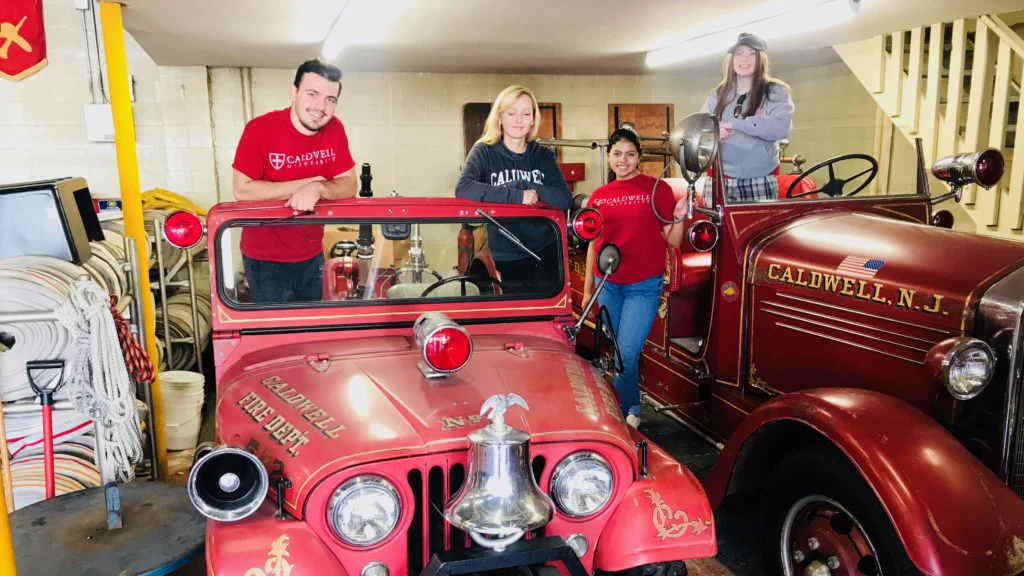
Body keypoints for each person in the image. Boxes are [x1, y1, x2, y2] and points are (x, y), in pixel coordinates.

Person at [582, 129, 687, 427]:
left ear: (639, 157)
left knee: (626, 352)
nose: (623, 160)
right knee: (618, 351)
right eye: (617, 154)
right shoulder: (599, 196)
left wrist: (680, 216)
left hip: (643, 285)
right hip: (608, 284)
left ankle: (624, 413)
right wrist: (589, 291)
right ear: (609, 157)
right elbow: (594, 242)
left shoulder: (657, 189)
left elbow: (674, 241)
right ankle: (630, 406)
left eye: (630, 154)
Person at [232, 59, 357, 303]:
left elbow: (350, 185)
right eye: (313, 94)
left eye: (330, 99)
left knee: (310, 331)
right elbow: (242, 190)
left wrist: (319, 187)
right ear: (293, 93)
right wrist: (307, 182)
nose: (321, 107)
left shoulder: (335, 129)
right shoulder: (260, 129)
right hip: (266, 259)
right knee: (281, 335)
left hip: (312, 254)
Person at [455, 85, 571, 293]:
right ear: (499, 117)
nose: (519, 120)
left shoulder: (543, 156)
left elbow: (564, 199)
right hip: (506, 257)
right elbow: (464, 188)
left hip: (545, 254)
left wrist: (529, 186)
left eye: (526, 114)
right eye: (511, 113)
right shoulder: (484, 152)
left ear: (533, 120)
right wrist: (516, 195)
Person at [699, 32, 794, 203]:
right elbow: (698, 131)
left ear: (761, 59)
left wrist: (734, 124)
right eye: (739, 53)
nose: (745, 59)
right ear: (731, 59)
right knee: (718, 229)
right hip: (719, 180)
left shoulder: (774, 91)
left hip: (760, 179)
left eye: (752, 53)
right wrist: (712, 133)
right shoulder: (717, 95)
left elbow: (781, 127)